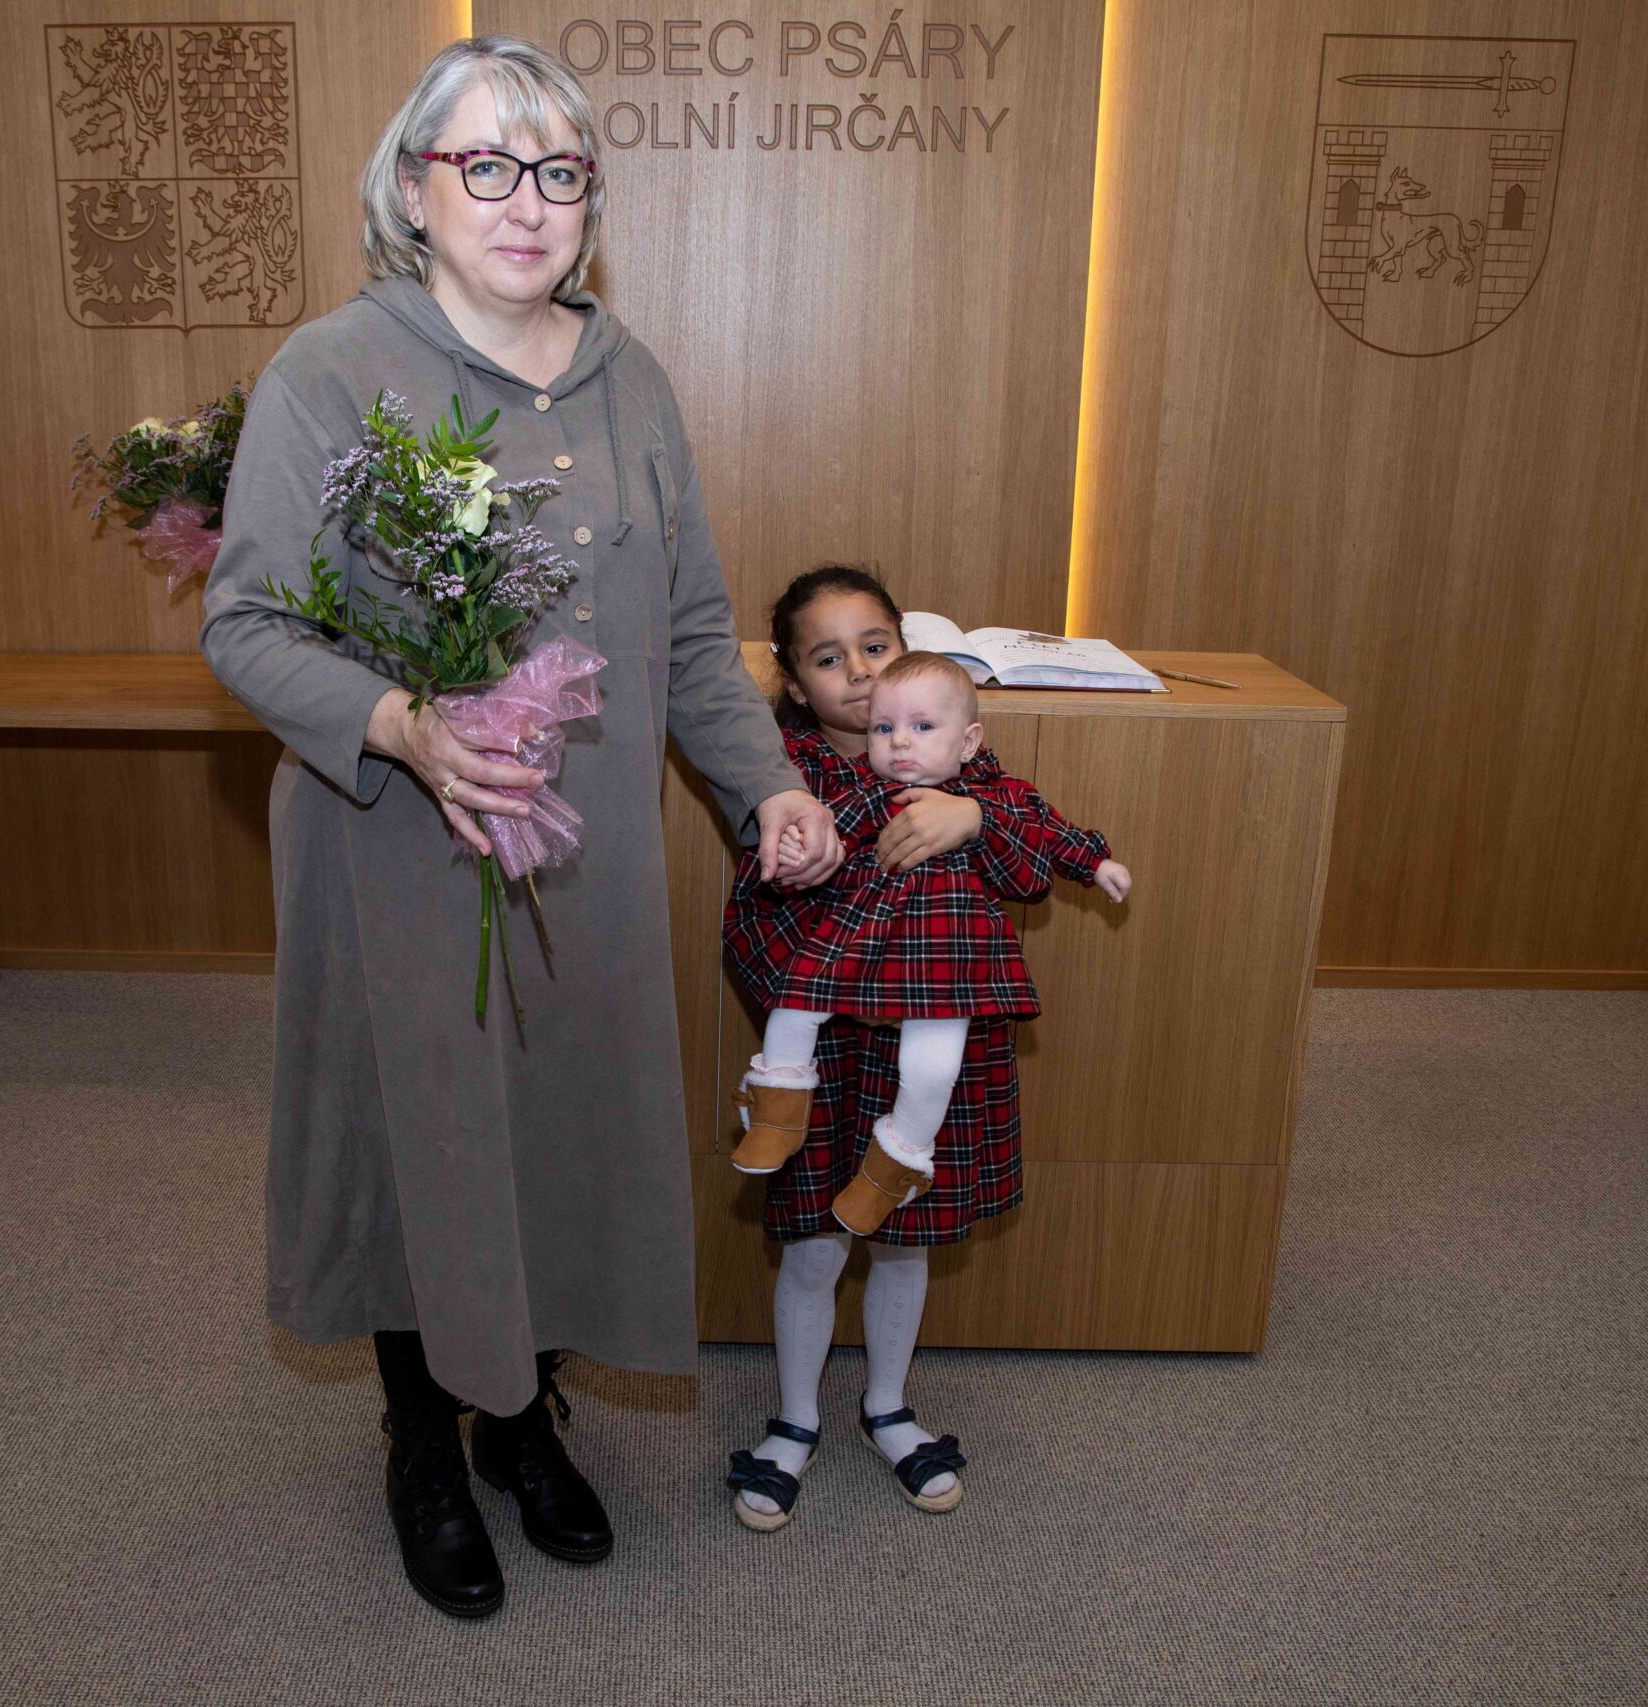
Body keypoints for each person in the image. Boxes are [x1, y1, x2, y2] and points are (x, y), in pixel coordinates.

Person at [198, 37, 840, 1619]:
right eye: (485, 164)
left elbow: (688, 630)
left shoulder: (631, 378)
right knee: (425, 1141)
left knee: (561, 1132)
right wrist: (401, 723)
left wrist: (767, 784)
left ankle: (522, 1412)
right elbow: (248, 624)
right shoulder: (331, 371)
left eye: (558, 171)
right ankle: (424, 1440)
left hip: (587, 855)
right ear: (413, 189)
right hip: (396, 848)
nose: (525, 201)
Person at [717, 571, 1132, 1532]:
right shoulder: (788, 773)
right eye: (830, 659)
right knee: (814, 1242)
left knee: (904, 1238)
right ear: (796, 682)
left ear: (906, 644)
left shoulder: (959, 758)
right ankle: (794, 1416)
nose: (861, 673)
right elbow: (757, 910)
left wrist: (974, 818)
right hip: (836, 1051)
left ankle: (888, 1405)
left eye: (876, 646)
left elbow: (1035, 860)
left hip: (927, 1062)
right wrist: (811, 862)